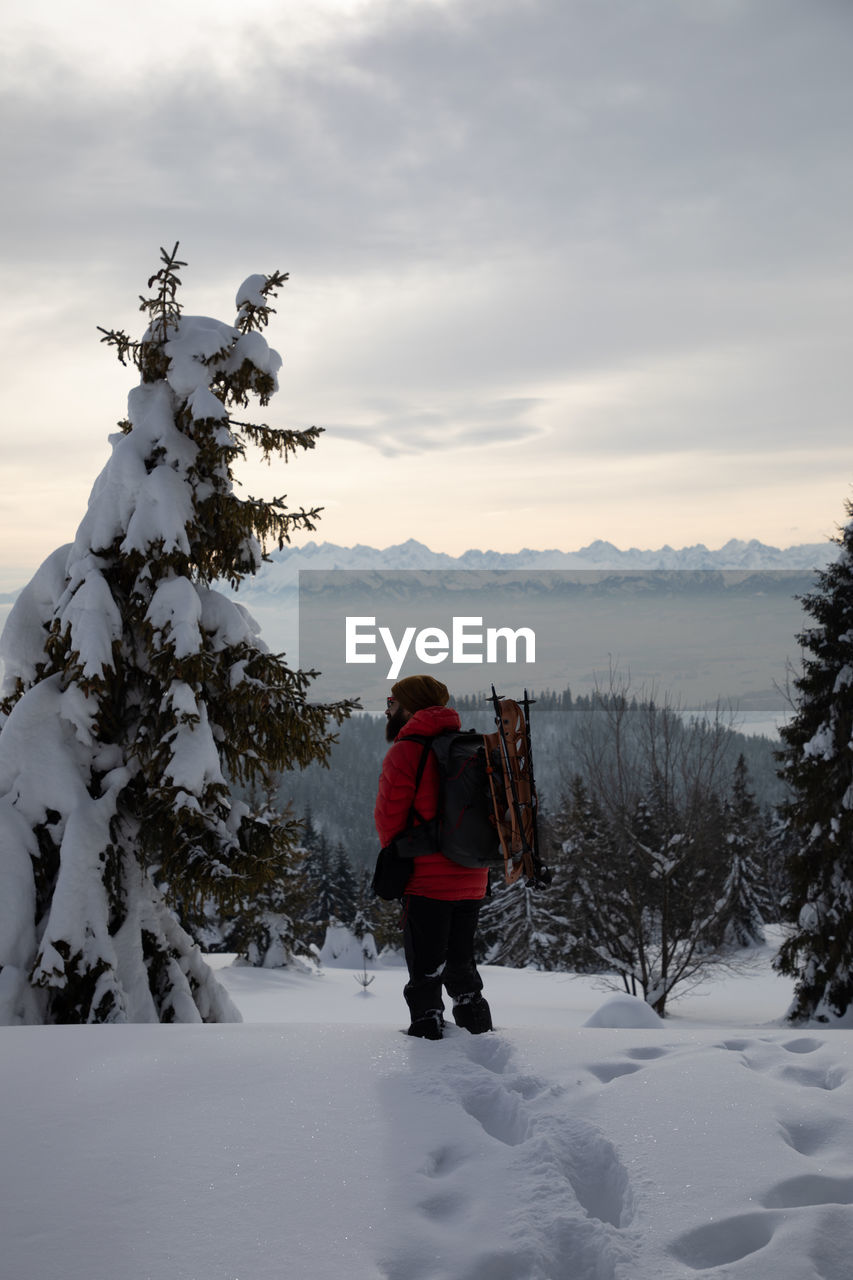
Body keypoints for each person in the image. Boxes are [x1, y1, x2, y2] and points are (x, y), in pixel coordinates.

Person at [374, 674, 493, 1040]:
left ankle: (429, 1049)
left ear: (410, 706)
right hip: (473, 877)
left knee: (426, 971)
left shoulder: (407, 750)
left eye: (392, 701)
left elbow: (389, 823)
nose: (388, 709)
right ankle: (481, 1038)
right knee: (462, 968)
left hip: (427, 882)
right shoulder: (469, 744)